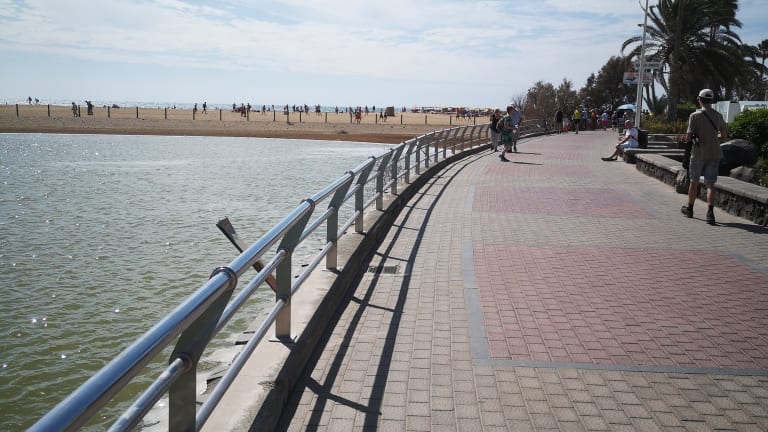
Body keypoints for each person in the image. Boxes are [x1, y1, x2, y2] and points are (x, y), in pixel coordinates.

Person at [680, 89, 728, 225]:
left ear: (699, 99)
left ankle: (690, 209)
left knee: (694, 182)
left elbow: (689, 137)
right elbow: (724, 136)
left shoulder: (694, 116)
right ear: (711, 100)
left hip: (698, 153)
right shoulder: (718, 115)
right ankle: (710, 213)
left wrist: (685, 138)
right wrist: (715, 138)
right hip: (714, 153)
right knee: (710, 184)